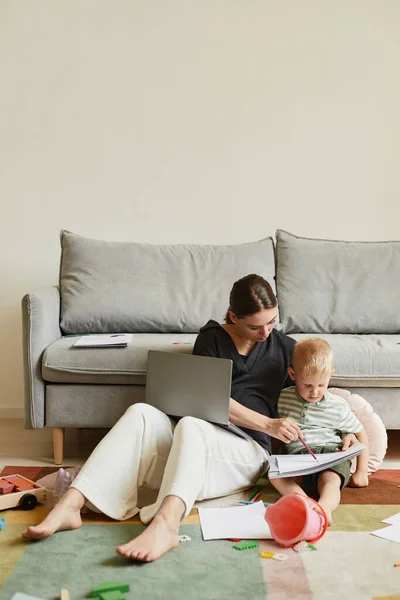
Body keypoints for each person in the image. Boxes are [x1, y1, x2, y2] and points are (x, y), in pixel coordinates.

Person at [21, 275, 349, 561]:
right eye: (254, 325)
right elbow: (207, 400)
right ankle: (72, 505)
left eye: (271, 321)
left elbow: (318, 394)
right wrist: (267, 421)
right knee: (141, 413)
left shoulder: (287, 348)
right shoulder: (211, 338)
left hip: (247, 449)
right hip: (193, 438)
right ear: (233, 316)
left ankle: (167, 524)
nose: (265, 332)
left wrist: (351, 431)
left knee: (194, 424)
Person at [269, 337, 369, 525]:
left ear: (330, 374)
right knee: (274, 476)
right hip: (298, 457)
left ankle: (324, 508)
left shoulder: (337, 406)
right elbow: (275, 429)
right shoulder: (283, 398)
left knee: (329, 481)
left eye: (321, 385)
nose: (314, 392)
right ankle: (305, 504)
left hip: (330, 454)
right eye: (307, 385)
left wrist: (361, 471)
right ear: (292, 374)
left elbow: (360, 433)